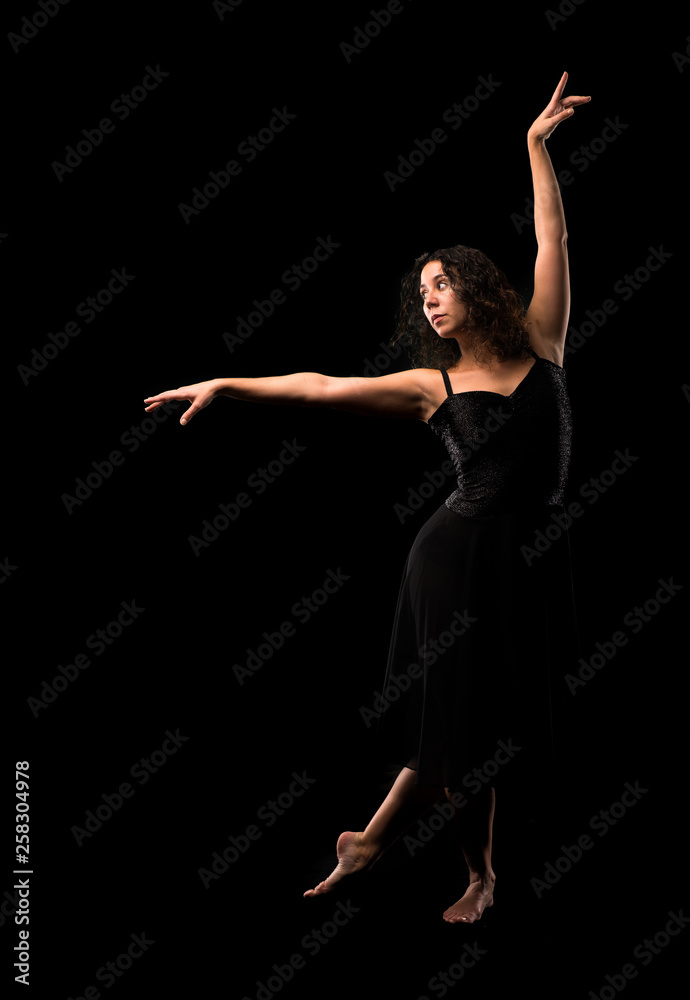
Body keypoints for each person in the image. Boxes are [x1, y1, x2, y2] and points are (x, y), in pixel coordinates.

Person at [143, 71, 591, 923]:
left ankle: (393, 844)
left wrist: (534, 147)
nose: (426, 300)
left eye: (439, 284)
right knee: (455, 723)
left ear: (475, 286)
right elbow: (320, 386)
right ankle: (459, 870)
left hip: (528, 559)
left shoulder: (544, 337)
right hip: (454, 557)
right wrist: (225, 383)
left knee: (488, 725)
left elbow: (550, 235)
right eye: (419, 294)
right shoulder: (434, 384)